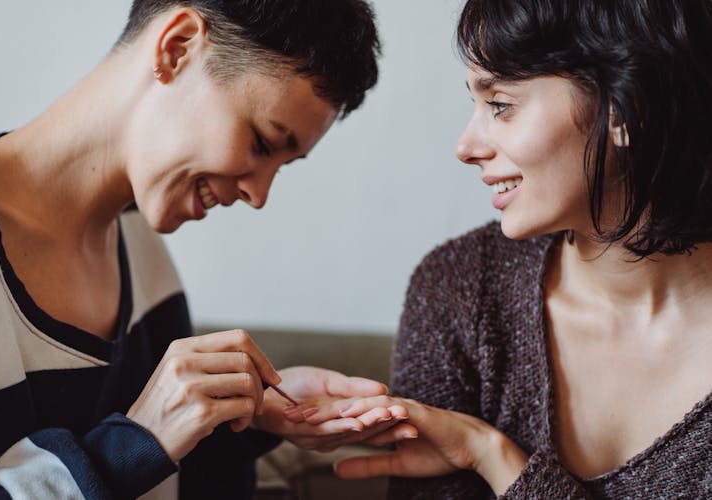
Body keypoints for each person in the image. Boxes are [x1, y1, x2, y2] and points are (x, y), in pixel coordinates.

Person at [0, 1, 407, 499]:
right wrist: (138, 442)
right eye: (262, 143)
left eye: (284, 164)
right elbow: (133, 448)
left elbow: (163, 480)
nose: (258, 196)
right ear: (177, 48)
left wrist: (244, 415)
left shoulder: (142, 252)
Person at [289, 0, 712, 497]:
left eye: (501, 105)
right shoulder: (463, 291)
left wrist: (490, 454)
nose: (466, 146)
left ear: (628, 108)